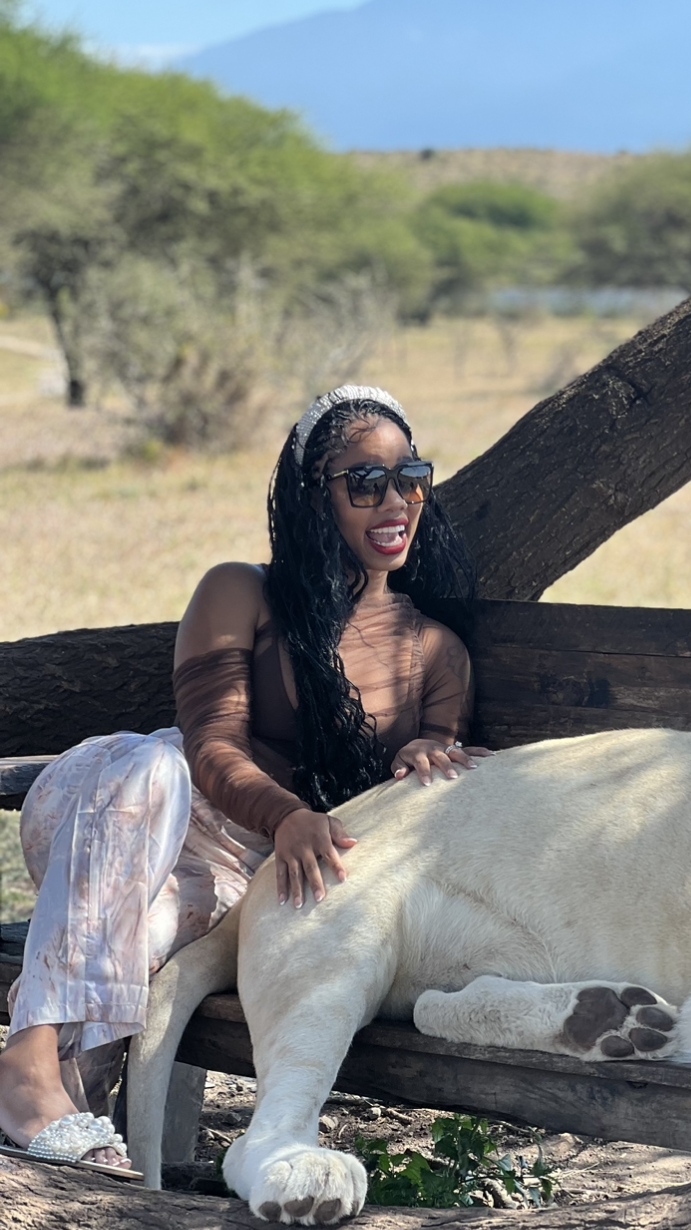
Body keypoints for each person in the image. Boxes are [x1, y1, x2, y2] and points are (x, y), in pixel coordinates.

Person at [0, 384, 485, 1179]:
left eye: (411, 478)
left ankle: (69, 1116)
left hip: (245, 871)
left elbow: (438, 765)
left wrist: (425, 760)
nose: (395, 502)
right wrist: (290, 813)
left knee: (146, 936)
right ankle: (26, 1064)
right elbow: (210, 745)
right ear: (312, 497)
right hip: (124, 807)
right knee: (152, 770)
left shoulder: (435, 652)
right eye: (366, 483)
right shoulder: (240, 591)